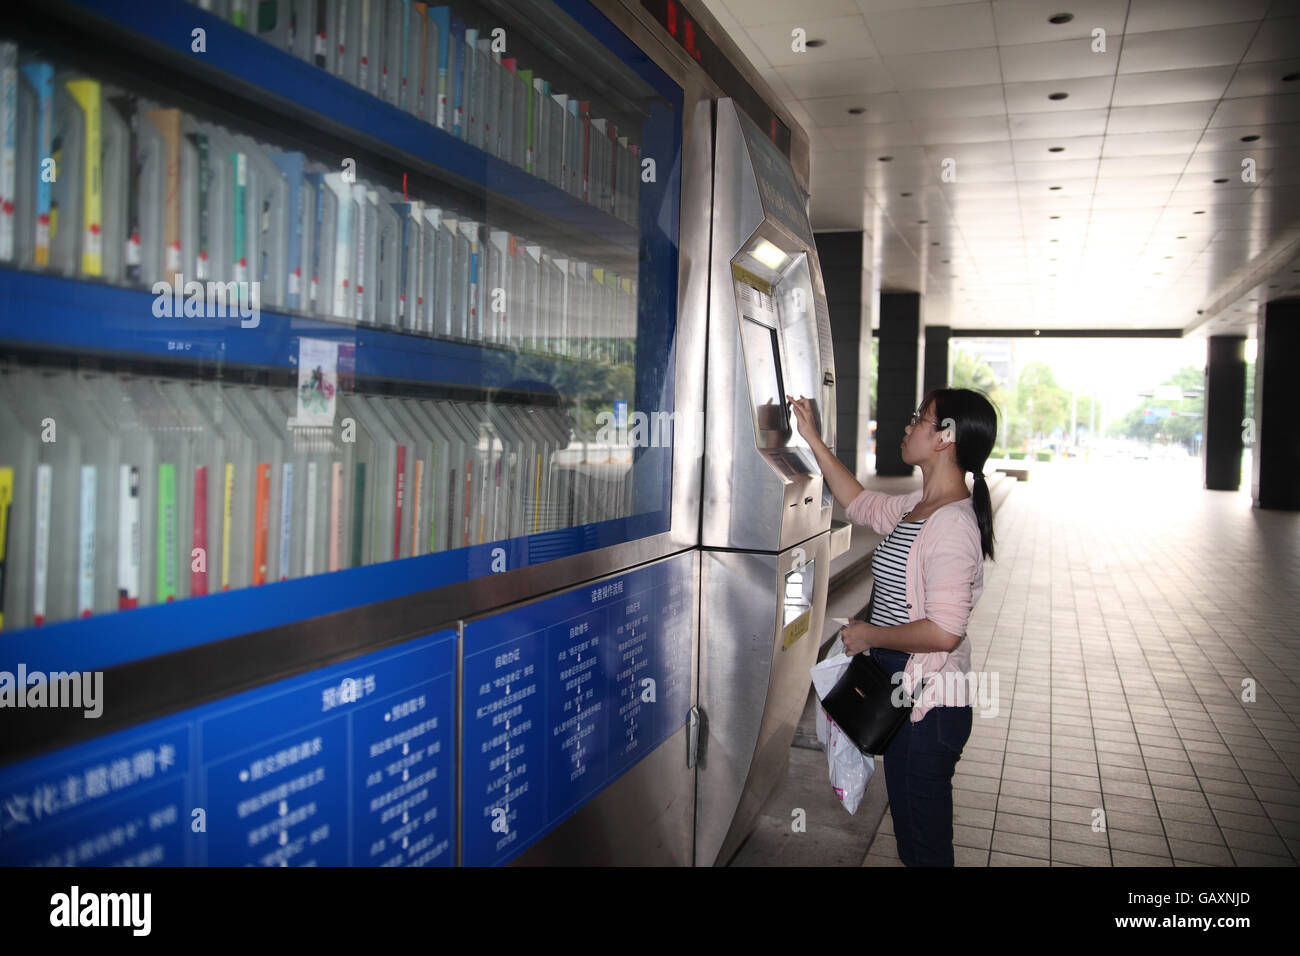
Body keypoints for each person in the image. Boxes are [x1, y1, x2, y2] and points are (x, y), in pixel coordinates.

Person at [789, 387, 998, 866]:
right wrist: (813, 440)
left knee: (923, 848)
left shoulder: (951, 525)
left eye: (918, 418)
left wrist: (869, 635)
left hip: (928, 710)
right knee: (915, 840)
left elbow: (946, 632)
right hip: (906, 695)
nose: (907, 427)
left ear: (945, 438)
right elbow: (858, 503)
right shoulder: (917, 508)